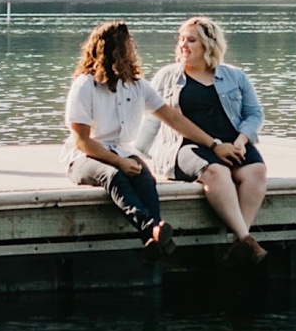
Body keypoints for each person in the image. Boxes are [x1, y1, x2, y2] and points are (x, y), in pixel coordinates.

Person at [65, 20, 221, 255]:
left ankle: (154, 235)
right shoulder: (85, 85)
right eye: (129, 42)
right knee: (114, 175)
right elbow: (82, 141)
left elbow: (175, 119)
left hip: (120, 151)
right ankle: (151, 228)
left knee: (145, 177)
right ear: (116, 48)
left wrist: (213, 144)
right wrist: (119, 162)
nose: (134, 46)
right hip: (84, 157)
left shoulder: (137, 86)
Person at [145, 16, 268, 263]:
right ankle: (245, 239)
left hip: (232, 143)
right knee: (217, 172)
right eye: (181, 39)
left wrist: (242, 141)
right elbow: (151, 116)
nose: (183, 45)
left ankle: (239, 246)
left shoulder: (235, 76)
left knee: (256, 171)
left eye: (191, 40)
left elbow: (254, 113)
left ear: (208, 46)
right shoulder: (167, 76)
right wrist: (138, 153)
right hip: (186, 146)